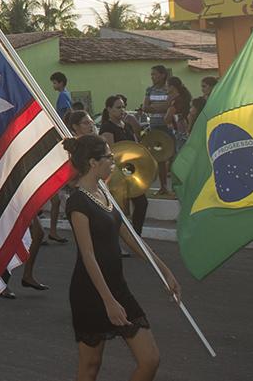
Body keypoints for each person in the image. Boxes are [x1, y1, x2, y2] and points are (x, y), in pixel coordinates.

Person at [64, 134, 178, 381]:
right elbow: (88, 255)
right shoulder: (77, 202)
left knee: (150, 359)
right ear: (93, 162)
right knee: (91, 365)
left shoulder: (104, 192)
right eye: (108, 156)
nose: (113, 158)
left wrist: (165, 271)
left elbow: (131, 239)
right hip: (91, 292)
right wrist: (108, 301)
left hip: (117, 286)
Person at [98, 96, 148, 235]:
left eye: (123, 107)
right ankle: (119, 239)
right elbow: (112, 150)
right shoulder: (107, 127)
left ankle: (137, 236)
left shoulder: (127, 126)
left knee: (141, 203)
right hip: (117, 172)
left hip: (131, 170)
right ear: (109, 109)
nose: (122, 110)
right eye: (118, 107)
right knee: (119, 208)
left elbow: (135, 146)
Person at [48, 109, 98, 242]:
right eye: (85, 123)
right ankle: (53, 231)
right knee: (85, 235)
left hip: (93, 190)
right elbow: (68, 176)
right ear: (75, 127)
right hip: (75, 193)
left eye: (91, 122)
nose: (90, 125)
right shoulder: (70, 146)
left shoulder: (94, 142)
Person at [142, 66, 172, 195]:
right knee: (160, 158)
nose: (152, 77)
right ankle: (163, 187)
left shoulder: (169, 90)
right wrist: (160, 108)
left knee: (171, 155)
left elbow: (169, 106)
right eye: (151, 74)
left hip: (167, 126)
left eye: (154, 74)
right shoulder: (150, 90)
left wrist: (154, 107)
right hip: (154, 127)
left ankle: (175, 187)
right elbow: (145, 107)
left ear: (162, 75)